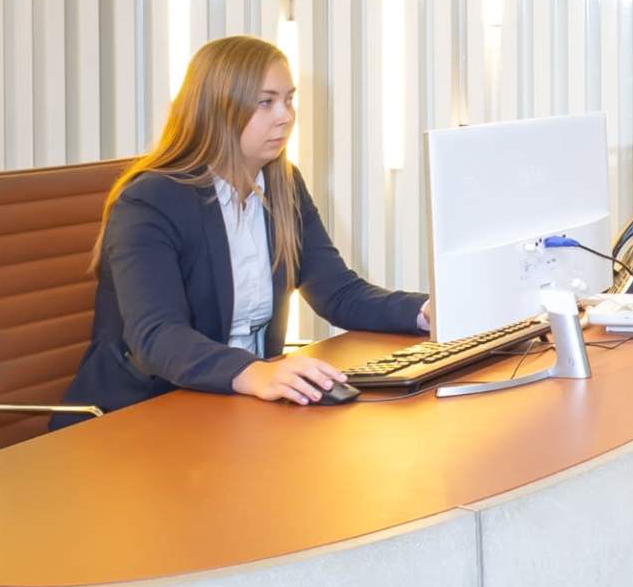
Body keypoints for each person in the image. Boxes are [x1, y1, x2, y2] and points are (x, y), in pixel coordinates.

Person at [63, 35, 430, 411]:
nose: (286, 115)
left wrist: (426, 311)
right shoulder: (151, 201)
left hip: (238, 405)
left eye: (288, 99)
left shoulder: (283, 185)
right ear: (218, 110)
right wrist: (255, 372)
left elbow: (338, 293)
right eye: (265, 102)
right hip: (144, 413)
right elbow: (158, 337)